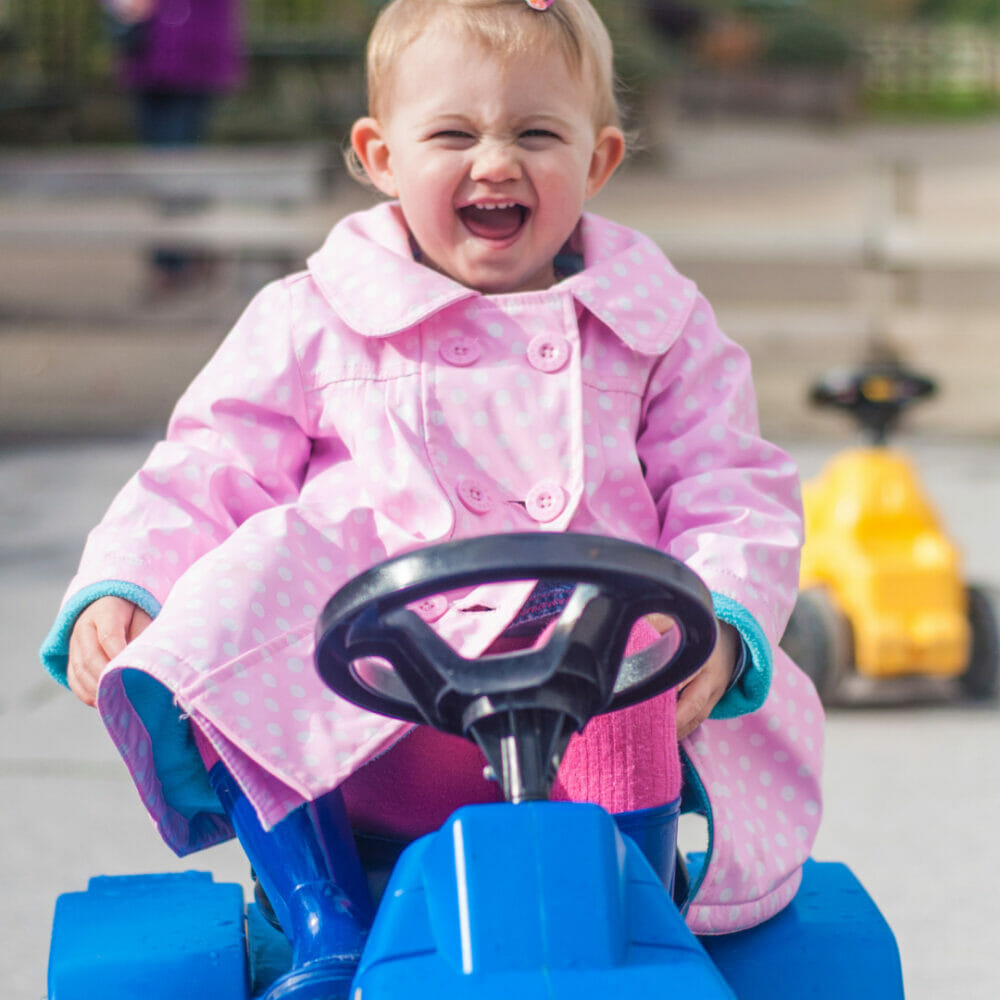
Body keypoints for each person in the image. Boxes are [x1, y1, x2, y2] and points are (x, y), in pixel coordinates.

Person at [42, 0, 823, 994]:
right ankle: (326, 917)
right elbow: (206, 462)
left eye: (535, 133)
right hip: (365, 727)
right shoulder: (312, 317)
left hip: (600, 727)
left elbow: (729, 482)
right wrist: (127, 580)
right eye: (453, 134)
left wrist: (720, 616)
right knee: (242, 592)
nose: (495, 161)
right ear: (378, 154)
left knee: (639, 622)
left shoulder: (656, 325)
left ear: (598, 161)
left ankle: (629, 906)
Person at [101, 0, 245, 295]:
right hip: (148, 53)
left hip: (194, 52)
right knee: (160, 160)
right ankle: (186, 251)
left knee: (179, 156)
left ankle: (174, 259)